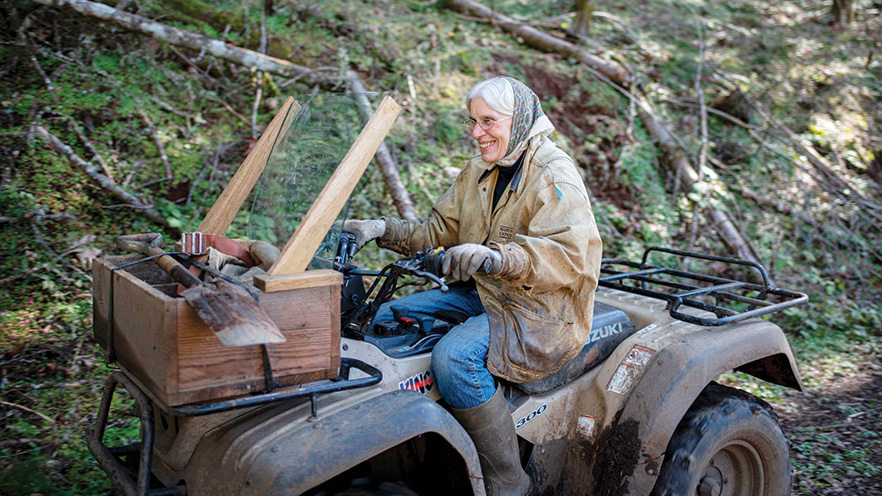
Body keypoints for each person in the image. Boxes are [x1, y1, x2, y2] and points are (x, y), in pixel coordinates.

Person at [344, 76, 602, 496]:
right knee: (384, 321)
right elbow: (436, 231)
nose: (476, 132)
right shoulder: (481, 170)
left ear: (518, 121)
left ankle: (508, 479)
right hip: (483, 294)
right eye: (472, 121)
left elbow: (570, 256)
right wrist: (379, 228)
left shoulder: (555, 175)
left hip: (539, 310)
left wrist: (499, 258)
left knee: (455, 359)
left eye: (488, 121)